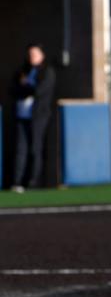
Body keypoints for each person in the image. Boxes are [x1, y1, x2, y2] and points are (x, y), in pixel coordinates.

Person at [11, 43, 56, 192]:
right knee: (20, 149)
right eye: (30, 54)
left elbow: (39, 91)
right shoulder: (23, 71)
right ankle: (18, 182)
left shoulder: (47, 71)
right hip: (22, 116)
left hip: (38, 117)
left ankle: (34, 183)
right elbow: (13, 89)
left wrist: (26, 88)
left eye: (35, 54)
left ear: (42, 55)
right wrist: (24, 88)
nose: (32, 57)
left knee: (35, 149)